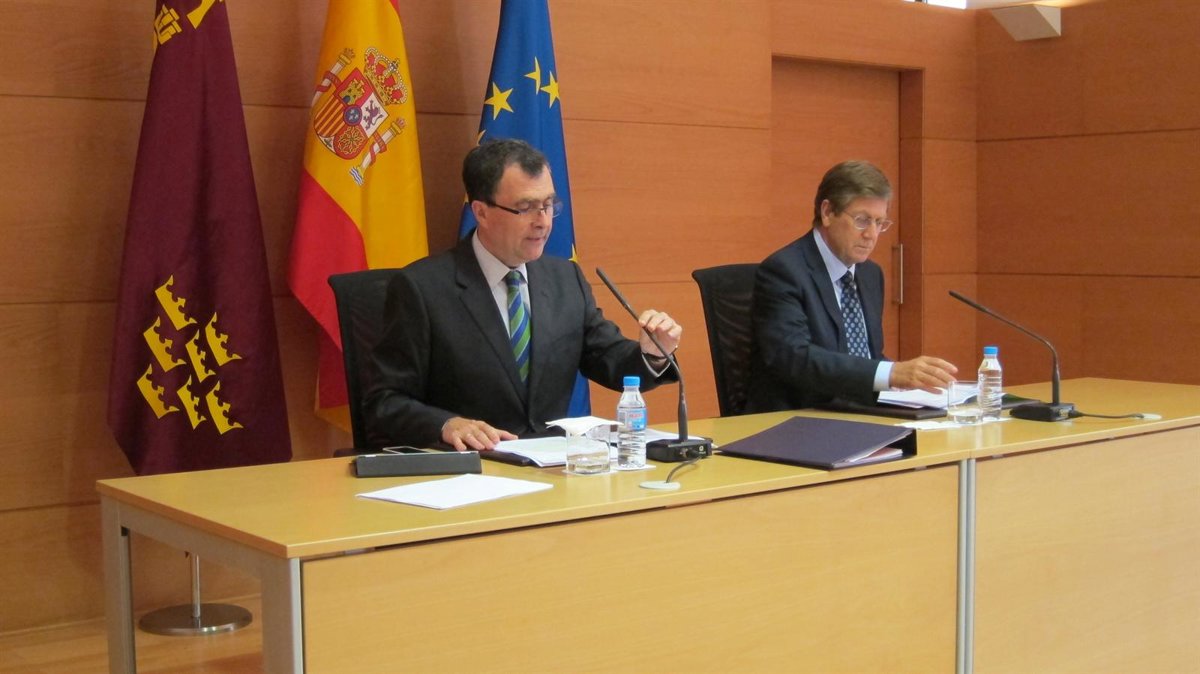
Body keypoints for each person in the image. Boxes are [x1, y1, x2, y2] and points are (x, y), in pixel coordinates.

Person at [365, 139, 682, 451]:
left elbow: (608, 359)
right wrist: (446, 424)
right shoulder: (422, 288)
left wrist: (653, 353)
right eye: (526, 208)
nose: (543, 221)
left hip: (553, 466)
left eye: (548, 205)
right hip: (470, 469)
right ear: (482, 212)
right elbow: (383, 402)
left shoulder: (565, 279)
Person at [747, 160, 957, 412]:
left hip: (862, 413)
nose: (872, 234)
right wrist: (891, 373)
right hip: (801, 417)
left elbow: (867, 356)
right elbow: (795, 358)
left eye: (880, 223)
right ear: (827, 212)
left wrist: (911, 383)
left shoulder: (870, 274)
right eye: (862, 220)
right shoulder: (784, 271)